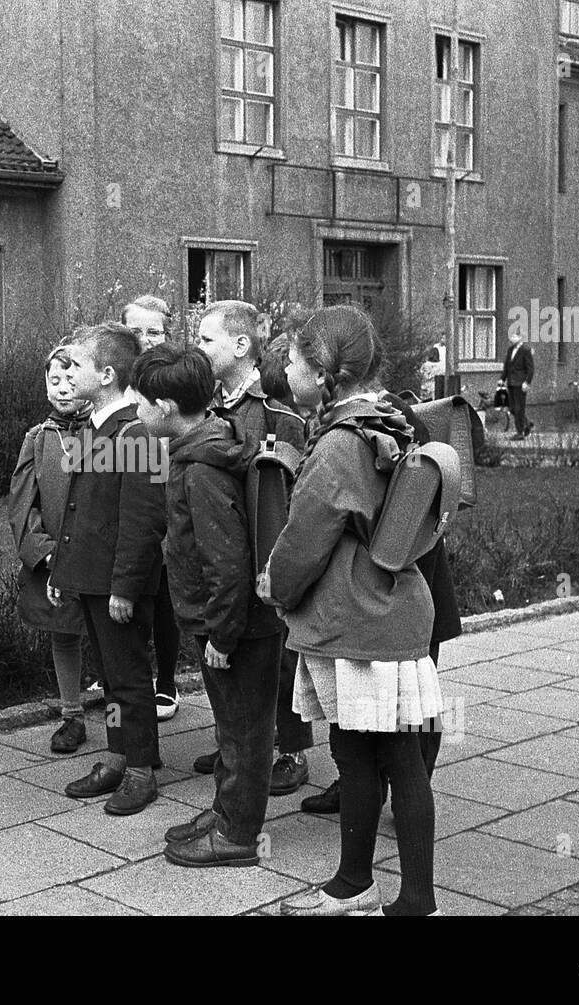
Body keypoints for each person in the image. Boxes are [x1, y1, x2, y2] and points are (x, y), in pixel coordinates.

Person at [261, 304, 442, 917]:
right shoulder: (394, 419)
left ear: (323, 370)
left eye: (293, 359)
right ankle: (354, 884)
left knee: (389, 758)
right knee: (363, 751)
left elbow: (304, 536)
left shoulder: (340, 442)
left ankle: (415, 900)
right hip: (392, 610)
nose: (286, 368)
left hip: (357, 620)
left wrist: (274, 587)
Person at [131, 343, 285, 867]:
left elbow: (227, 562)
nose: (138, 412)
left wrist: (221, 634)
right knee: (231, 727)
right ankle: (226, 811)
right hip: (228, 620)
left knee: (244, 731)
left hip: (236, 627)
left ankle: (238, 834)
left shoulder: (201, 468)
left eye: (142, 403)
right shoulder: (203, 448)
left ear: (168, 408)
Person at [300, 388, 463, 815]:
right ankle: (372, 787)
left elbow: (414, 511)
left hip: (407, 579)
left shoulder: (394, 416)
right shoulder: (368, 416)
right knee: (390, 710)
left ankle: (410, 789)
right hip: (397, 582)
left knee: (414, 707)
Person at [191, 300, 315, 797]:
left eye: (206, 339)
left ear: (241, 346)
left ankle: (291, 750)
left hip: (267, 561)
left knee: (280, 657)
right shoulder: (209, 408)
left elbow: (291, 500)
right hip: (224, 556)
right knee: (232, 660)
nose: (197, 348)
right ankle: (237, 745)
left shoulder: (277, 417)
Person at [53, 322, 167, 816]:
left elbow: (144, 521)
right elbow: (81, 509)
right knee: (110, 677)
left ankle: (141, 767)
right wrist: (64, 572)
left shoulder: (136, 432)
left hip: (119, 585)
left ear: (105, 374)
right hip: (93, 580)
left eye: (74, 365)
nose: (64, 372)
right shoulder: (95, 426)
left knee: (129, 678)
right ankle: (119, 755)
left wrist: (126, 588)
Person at [8, 346, 95, 754]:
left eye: (71, 380)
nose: (62, 390)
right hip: (56, 560)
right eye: (53, 381)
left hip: (101, 558)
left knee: (111, 638)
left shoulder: (111, 435)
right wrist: (45, 553)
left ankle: (120, 716)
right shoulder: (39, 439)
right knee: (64, 634)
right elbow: (23, 503)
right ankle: (71, 715)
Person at [121, 294, 181, 722]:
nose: (144, 339)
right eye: (136, 331)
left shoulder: (175, 382)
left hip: (169, 497)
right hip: (128, 500)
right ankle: (123, 675)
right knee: (127, 590)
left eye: (154, 331)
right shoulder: (114, 382)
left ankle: (167, 681)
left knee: (165, 598)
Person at [501, 329, 535, 439]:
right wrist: (502, 379)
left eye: (514, 336)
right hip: (511, 382)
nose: (512, 339)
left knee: (519, 408)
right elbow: (507, 366)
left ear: (520, 338)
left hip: (520, 383)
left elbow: (530, 368)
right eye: (511, 336)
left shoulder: (525, 350)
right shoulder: (510, 349)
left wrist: (527, 382)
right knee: (512, 408)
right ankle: (528, 423)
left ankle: (520, 432)